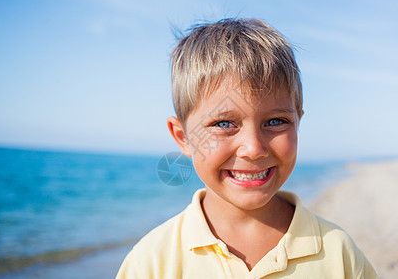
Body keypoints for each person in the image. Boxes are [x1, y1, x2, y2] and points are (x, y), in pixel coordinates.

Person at [116, 18, 377, 278]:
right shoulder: (152, 262)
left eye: (276, 122)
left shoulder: (337, 253)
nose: (253, 149)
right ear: (183, 137)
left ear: (298, 123)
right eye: (224, 123)